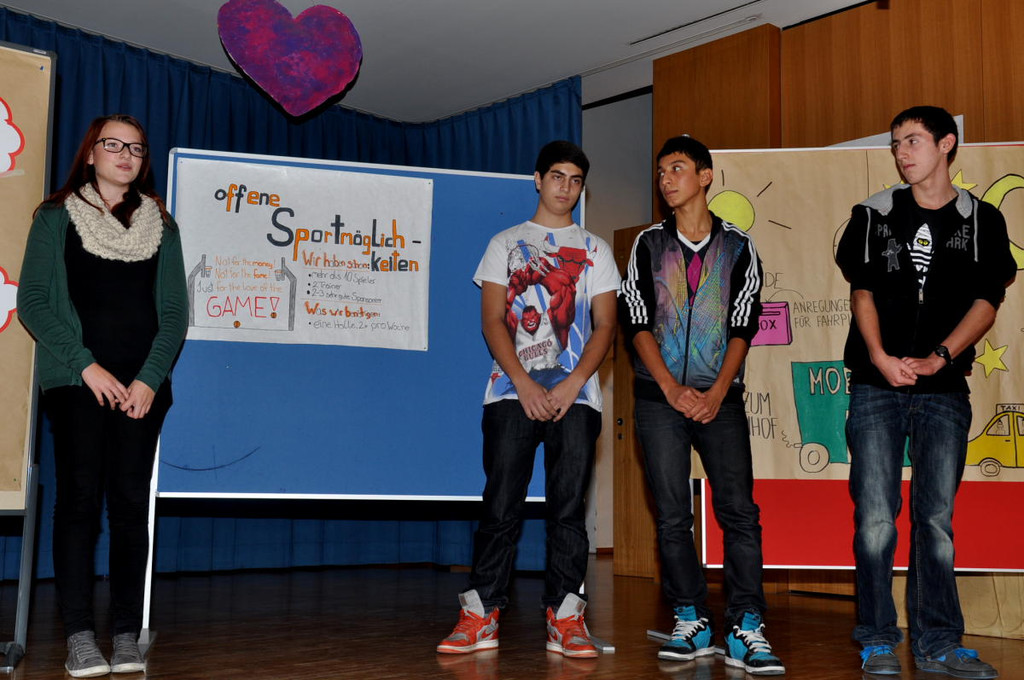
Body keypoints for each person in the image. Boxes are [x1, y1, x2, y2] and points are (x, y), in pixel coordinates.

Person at [836, 106, 1014, 679]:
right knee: (876, 519)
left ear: (946, 144)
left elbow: (987, 302)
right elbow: (862, 292)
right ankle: (876, 640)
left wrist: (941, 357)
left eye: (912, 140)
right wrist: (880, 358)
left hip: (944, 390)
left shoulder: (983, 220)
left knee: (935, 520)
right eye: (896, 144)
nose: (902, 152)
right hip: (875, 386)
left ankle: (939, 642)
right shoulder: (872, 214)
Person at [17, 114, 188, 677]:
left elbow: (174, 314)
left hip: (142, 388)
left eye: (135, 148)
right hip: (77, 382)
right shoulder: (54, 216)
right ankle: (79, 637)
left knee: (131, 506)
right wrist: (86, 367)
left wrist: (150, 379)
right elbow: (33, 301)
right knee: (79, 503)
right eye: (112, 145)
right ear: (90, 154)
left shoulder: (163, 225)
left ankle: (125, 635)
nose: (125, 155)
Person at [436, 141, 619, 658]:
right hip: (510, 392)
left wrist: (572, 383)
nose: (566, 187)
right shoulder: (504, 243)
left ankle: (566, 617)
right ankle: (481, 615)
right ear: (538, 179)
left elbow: (606, 326)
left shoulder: (596, 250)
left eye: (575, 180)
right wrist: (523, 382)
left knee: (568, 510)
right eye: (557, 176)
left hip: (576, 396)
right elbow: (492, 320)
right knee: (500, 506)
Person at [619, 135, 784, 676]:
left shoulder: (739, 246)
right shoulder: (647, 244)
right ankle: (691, 619)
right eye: (661, 171)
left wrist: (716, 393)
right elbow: (636, 320)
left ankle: (745, 625)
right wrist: (671, 388)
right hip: (658, 399)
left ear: (705, 176)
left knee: (739, 512)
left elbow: (743, 325)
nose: (666, 179)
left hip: (722, 400)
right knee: (672, 514)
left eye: (677, 168)